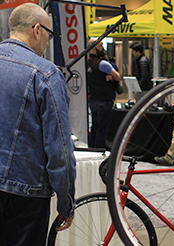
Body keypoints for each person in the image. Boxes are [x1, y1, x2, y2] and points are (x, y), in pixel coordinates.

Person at [0, 3, 76, 246]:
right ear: (36, 29)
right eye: (49, 34)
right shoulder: (46, 74)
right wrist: (66, 203)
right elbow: (60, 150)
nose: (47, 42)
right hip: (26, 194)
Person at [87, 38, 120, 148]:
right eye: (100, 46)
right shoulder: (103, 64)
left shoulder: (87, 63)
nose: (103, 48)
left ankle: (92, 150)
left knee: (95, 128)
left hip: (93, 100)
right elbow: (118, 76)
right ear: (93, 48)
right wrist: (111, 77)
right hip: (104, 100)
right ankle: (99, 153)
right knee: (102, 130)